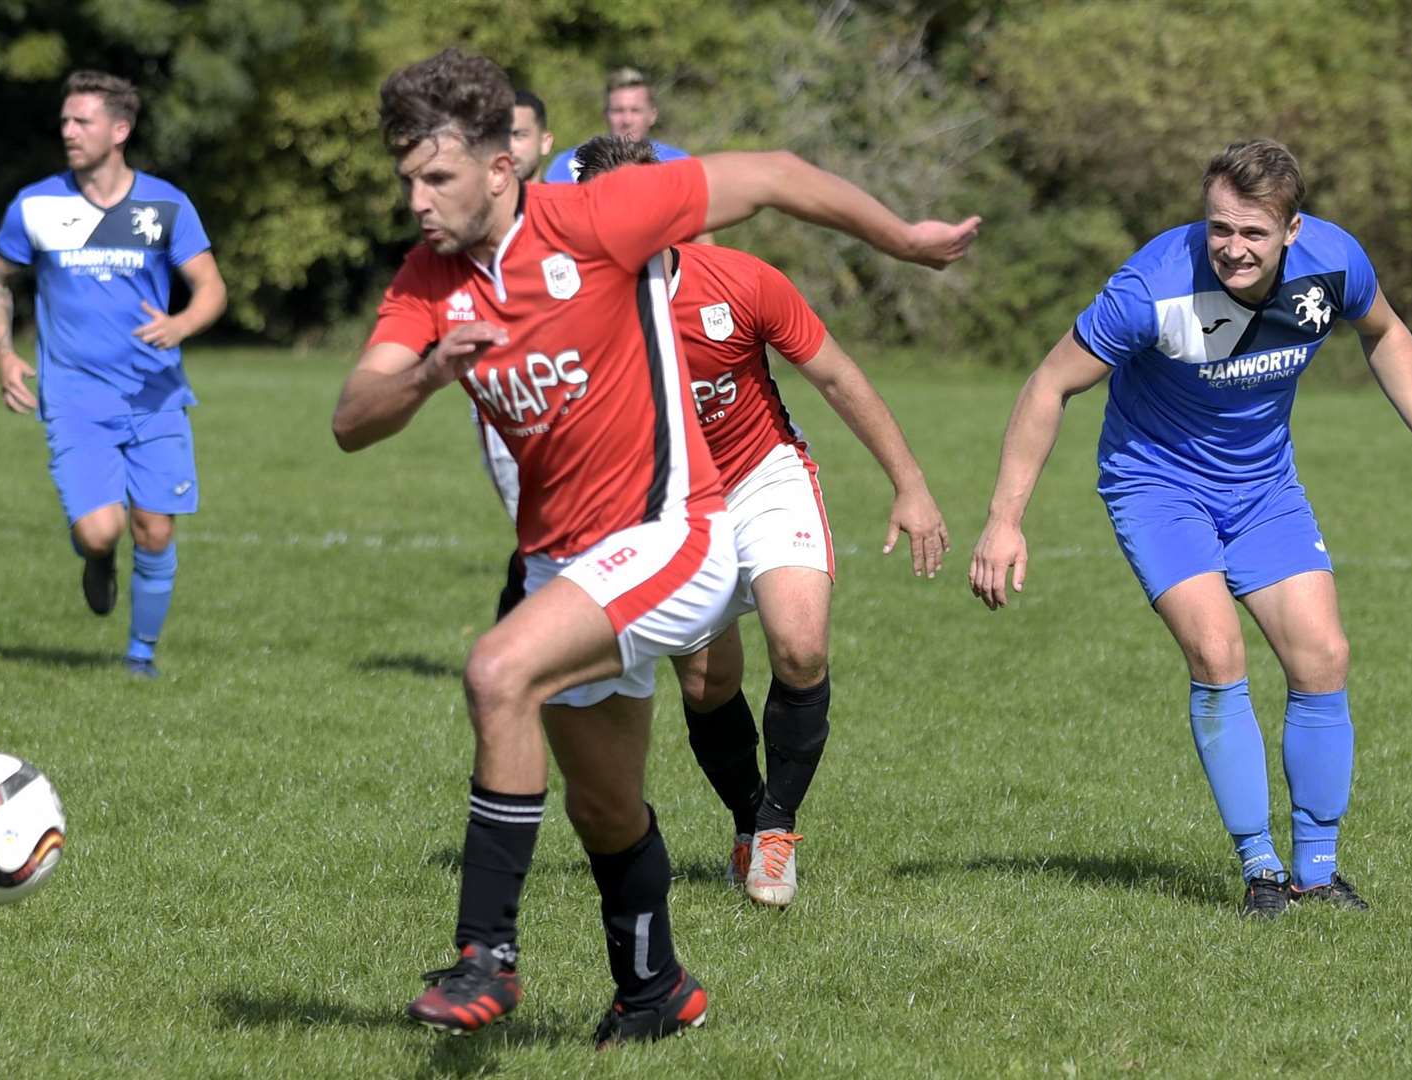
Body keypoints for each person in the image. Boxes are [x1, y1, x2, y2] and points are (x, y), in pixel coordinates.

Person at [332, 47, 978, 1047]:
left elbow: (768, 173)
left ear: (503, 166)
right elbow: (351, 420)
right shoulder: (432, 280)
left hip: (671, 534)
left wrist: (905, 239)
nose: (416, 198)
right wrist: (424, 376)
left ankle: (484, 956)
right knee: (605, 805)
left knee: (498, 670)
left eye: (438, 177)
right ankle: (657, 991)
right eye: (406, 177)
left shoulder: (592, 219)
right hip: (565, 563)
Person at [967, 139, 1412, 919]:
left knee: (1323, 654)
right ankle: (1261, 869)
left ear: (1292, 230)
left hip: (1264, 488)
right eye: (1220, 228)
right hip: (1157, 486)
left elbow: (1387, 332)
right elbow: (1049, 384)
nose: (1233, 248)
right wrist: (1005, 521)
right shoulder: (1153, 286)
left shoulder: (1335, 264)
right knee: (1217, 649)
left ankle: (1317, 869)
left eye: (1254, 233)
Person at [562, 134, 954, 910]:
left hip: (760, 473)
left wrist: (910, 485)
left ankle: (777, 827)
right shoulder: (572, 312)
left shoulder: (741, 284)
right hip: (666, 505)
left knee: (801, 646)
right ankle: (746, 818)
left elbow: (837, 376)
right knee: (710, 681)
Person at [0, 70, 227, 679]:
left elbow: (211, 289)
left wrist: (181, 325)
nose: (68, 131)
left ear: (120, 129)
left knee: (155, 531)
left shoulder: (165, 205)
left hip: (157, 394)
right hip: (74, 396)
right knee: (99, 532)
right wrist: (5, 354)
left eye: (81, 121)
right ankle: (96, 558)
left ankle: (140, 658)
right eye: (64, 120)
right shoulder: (36, 204)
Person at [543, 67, 689, 185]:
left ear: (652, 115)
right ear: (605, 114)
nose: (627, 120)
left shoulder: (679, 164)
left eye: (635, 110)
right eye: (618, 111)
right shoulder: (569, 164)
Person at [508, 89, 554, 185]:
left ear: (545, 143)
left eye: (518, 136)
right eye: (500, 137)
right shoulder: (474, 199)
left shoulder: (563, 199)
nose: (508, 147)